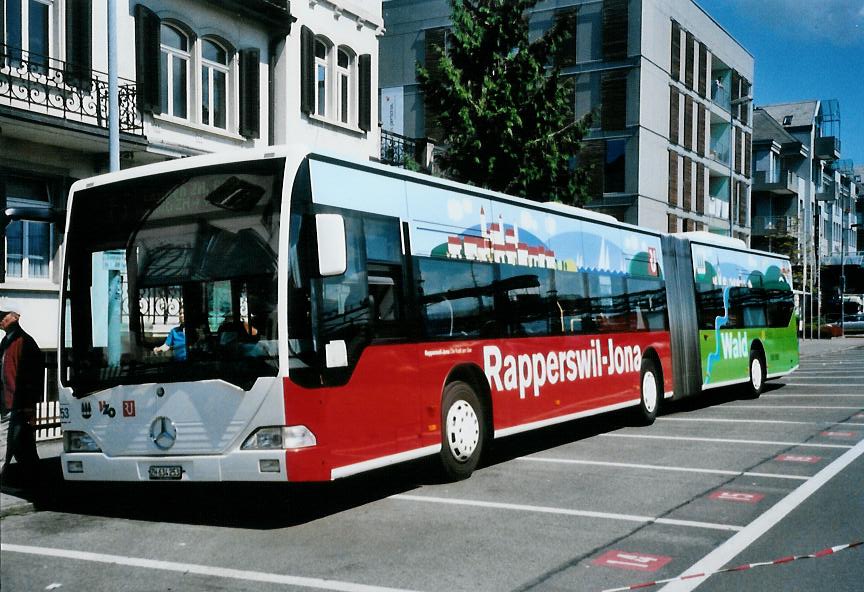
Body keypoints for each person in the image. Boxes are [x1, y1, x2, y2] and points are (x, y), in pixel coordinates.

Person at [1, 310, 44, 481]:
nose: (1, 320)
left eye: (4, 315)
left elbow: (32, 376)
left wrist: (27, 405)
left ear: (16, 317)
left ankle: (36, 478)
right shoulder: (6, 342)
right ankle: (37, 479)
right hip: (9, 403)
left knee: (4, 443)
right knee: (22, 447)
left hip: (17, 404)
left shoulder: (24, 342)